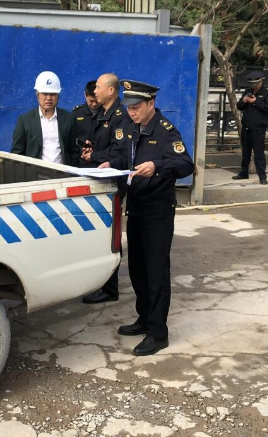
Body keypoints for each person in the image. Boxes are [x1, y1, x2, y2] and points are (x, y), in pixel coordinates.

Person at [99, 80, 194, 356]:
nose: (132, 112)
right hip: (136, 207)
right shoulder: (133, 127)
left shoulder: (165, 132)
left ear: (151, 104)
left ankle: (158, 332)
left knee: (156, 272)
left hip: (157, 212)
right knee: (138, 269)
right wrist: (110, 164)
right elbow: (125, 158)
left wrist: (157, 166)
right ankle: (144, 318)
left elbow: (185, 164)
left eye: (137, 107)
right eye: (129, 108)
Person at [81, 73, 131, 304]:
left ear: (111, 90)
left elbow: (119, 153)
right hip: (101, 182)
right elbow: (102, 144)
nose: (95, 91)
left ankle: (110, 288)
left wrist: (95, 156)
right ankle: (102, 283)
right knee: (100, 235)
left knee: (110, 237)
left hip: (112, 185)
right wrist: (90, 149)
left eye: (99, 87)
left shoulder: (120, 116)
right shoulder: (103, 113)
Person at [11, 71, 79, 165]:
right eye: (45, 94)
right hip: (35, 172)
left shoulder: (69, 118)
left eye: (53, 94)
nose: (48, 98)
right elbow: (17, 153)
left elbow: (74, 151)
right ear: (37, 94)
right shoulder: (25, 120)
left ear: (58, 96)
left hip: (62, 171)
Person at [232, 70, 268, 185]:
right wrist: (244, 101)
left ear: (260, 82)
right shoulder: (247, 92)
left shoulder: (267, 94)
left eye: (255, 84)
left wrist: (255, 102)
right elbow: (239, 106)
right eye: (251, 84)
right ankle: (244, 172)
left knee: (259, 153)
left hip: (258, 129)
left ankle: (262, 176)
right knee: (245, 152)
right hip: (246, 127)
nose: (253, 86)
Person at [72, 80, 100, 158]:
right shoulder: (77, 113)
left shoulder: (107, 112)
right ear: (85, 95)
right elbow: (72, 138)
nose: (94, 104)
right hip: (81, 158)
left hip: (101, 158)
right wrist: (82, 149)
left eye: (97, 100)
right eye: (91, 101)